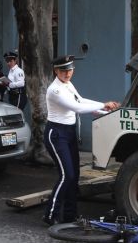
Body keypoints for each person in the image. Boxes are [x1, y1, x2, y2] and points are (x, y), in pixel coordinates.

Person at [42, 55, 120, 226]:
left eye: (70, 70)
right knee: (66, 175)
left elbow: (81, 100)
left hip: (69, 133)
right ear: (56, 71)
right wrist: (102, 105)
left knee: (74, 176)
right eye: (63, 70)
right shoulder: (55, 90)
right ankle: (50, 215)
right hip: (56, 134)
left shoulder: (68, 85)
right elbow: (77, 107)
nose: (67, 73)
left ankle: (69, 216)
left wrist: (104, 108)